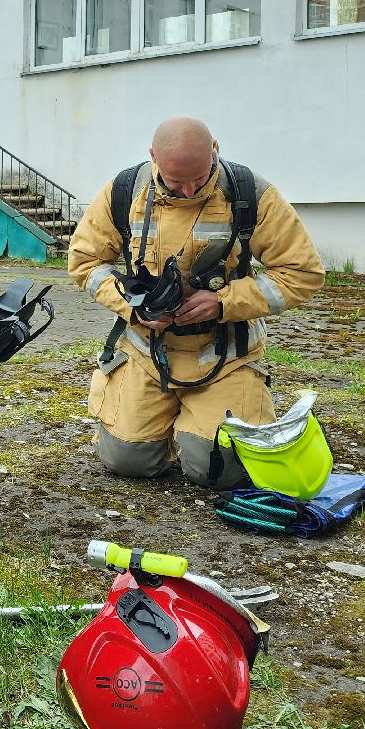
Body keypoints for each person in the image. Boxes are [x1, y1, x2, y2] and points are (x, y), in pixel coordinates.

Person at [68, 117, 323, 489]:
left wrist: (224, 302)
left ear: (215, 149)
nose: (188, 191)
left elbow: (302, 273)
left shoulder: (250, 194)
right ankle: (169, 425)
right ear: (153, 157)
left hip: (223, 353)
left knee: (217, 471)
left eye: (199, 179)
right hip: (146, 349)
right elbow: (84, 262)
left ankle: (205, 423)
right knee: (127, 461)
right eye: (175, 182)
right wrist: (132, 306)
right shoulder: (125, 191)